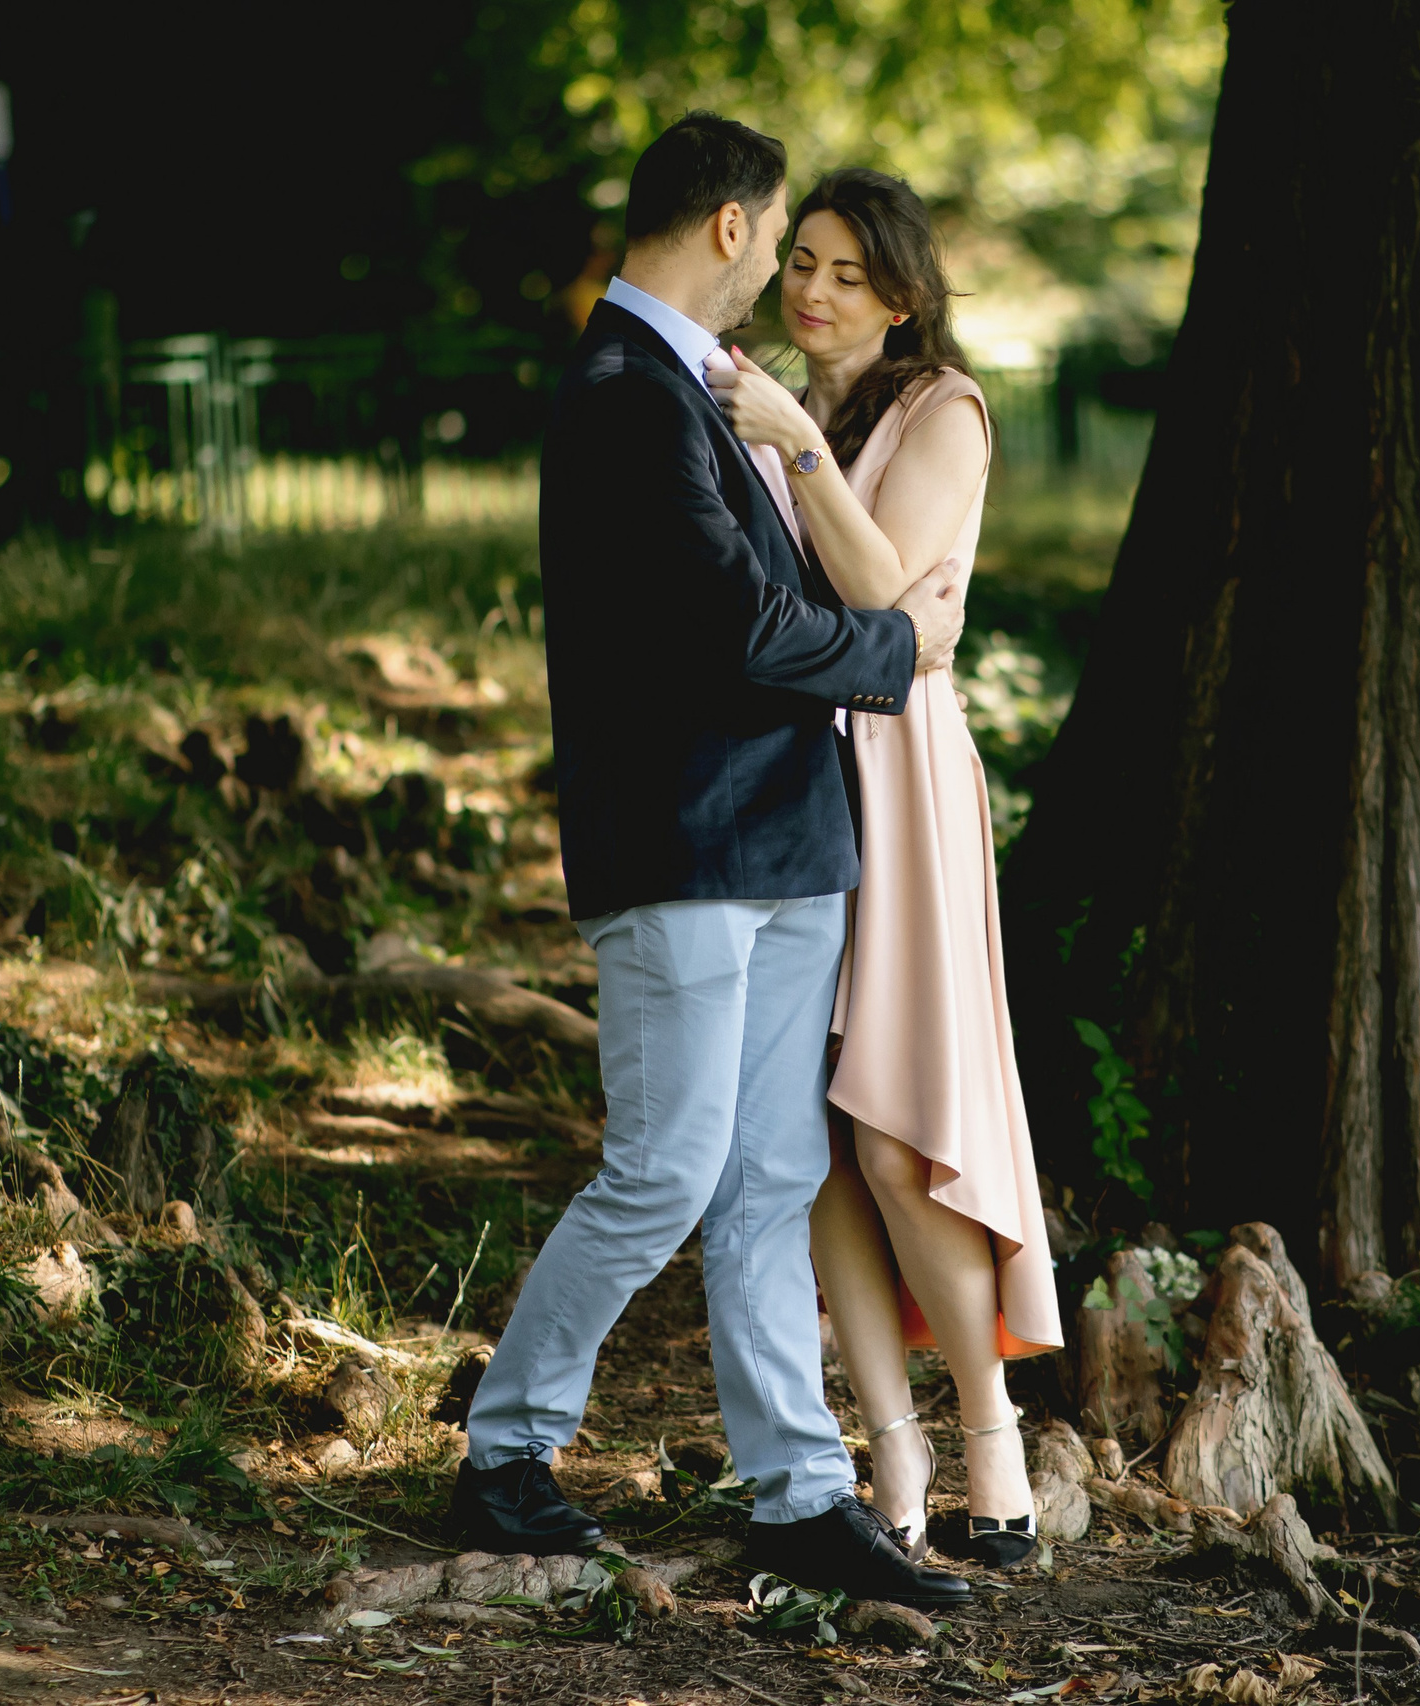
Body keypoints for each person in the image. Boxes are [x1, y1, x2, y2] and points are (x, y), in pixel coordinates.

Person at [443, 113, 974, 1613]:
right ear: (732, 226)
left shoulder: (702, 385)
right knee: (666, 1167)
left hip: (787, 839)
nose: (784, 280)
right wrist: (901, 648)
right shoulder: (629, 390)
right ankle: (506, 1448)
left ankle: (799, 1493)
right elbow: (736, 627)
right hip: (680, 843)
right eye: (778, 241)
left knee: (769, 1177)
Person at [707, 168, 1065, 1570]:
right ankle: (892, 1450)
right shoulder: (766, 414)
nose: (813, 290)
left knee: (900, 1136)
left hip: (901, 778)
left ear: (902, 297)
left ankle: (995, 1442)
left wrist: (796, 443)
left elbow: (874, 596)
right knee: (814, 1146)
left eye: (848, 273)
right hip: (793, 777)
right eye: (801, 260)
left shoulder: (941, 412)